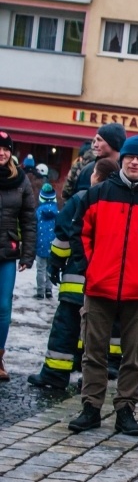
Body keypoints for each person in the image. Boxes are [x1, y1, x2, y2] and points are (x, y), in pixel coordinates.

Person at [67, 135, 138, 436]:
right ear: (121, 160)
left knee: (134, 354)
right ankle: (91, 407)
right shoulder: (98, 193)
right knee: (93, 352)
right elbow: (79, 233)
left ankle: (126, 410)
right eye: (130, 157)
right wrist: (90, 268)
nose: (134, 162)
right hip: (99, 287)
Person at [28, 159, 118, 390]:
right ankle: (90, 378)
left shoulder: (81, 200)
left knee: (66, 326)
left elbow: (63, 239)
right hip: (106, 282)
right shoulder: (121, 203)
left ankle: (54, 375)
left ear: (95, 176)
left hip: (76, 280)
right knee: (97, 332)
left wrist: (55, 264)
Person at [0, 131, 36, 381]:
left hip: (7, 252)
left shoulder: (20, 179)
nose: (1, 153)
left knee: (3, 307)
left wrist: (27, 255)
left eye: (6, 149)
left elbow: (29, 219)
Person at [34, 183, 58, 299]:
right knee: (50, 268)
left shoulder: (38, 212)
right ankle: (49, 290)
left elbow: (34, 227)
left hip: (40, 244)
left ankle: (40, 292)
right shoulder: (57, 213)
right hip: (53, 245)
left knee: (40, 269)